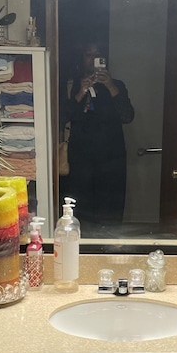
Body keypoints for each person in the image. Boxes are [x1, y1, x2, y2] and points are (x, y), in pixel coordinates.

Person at [62, 43, 134, 227]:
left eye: (97, 55)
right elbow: (64, 117)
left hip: (112, 159)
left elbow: (127, 116)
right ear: (82, 58)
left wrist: (110, 86)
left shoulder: (117, 86)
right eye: (88, 55)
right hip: (81, 160)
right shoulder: (73, 85)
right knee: (81, 208)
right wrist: (80, 93)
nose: (93, 60)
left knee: (110, 209)